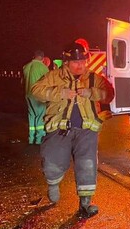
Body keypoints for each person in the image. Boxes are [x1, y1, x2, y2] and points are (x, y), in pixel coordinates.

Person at [31, 42, 114, 217]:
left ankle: (85, 204)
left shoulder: (93, 78)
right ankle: (53, 184)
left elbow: (109, 93)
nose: (80, 65)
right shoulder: (53, 76)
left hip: (87, 130)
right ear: (66, 62)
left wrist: (91, 93)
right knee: (53, 160)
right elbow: (35, 90)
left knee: (87, 165)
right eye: (76, 62)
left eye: (83, 61)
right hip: (59, 129)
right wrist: (60, 93)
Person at [22, 50, 50, 144]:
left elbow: (22, 81)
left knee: (32, 115)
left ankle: (31, 138)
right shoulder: (43, 68)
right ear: (42, 58)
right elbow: (48, 82)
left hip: (28, 95)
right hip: (38, 95)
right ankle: (39, 138)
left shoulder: (26, 67)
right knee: (40, 115)